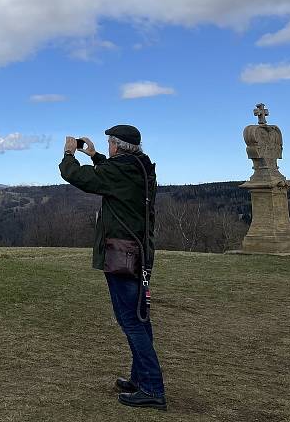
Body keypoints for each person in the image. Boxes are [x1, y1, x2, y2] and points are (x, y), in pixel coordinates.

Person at [59, 125, 166, 411]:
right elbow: (111, 175)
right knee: (139, 318)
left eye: (109, 143)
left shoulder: (122, 171)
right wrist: (94, 155)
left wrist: (70, 153)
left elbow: (77, 176)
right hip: (139, 251)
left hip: (122, 254)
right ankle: (140, 379)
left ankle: (153, 389)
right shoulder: (140, 167)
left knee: (131, 320)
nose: (107, 146)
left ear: (117, 146)